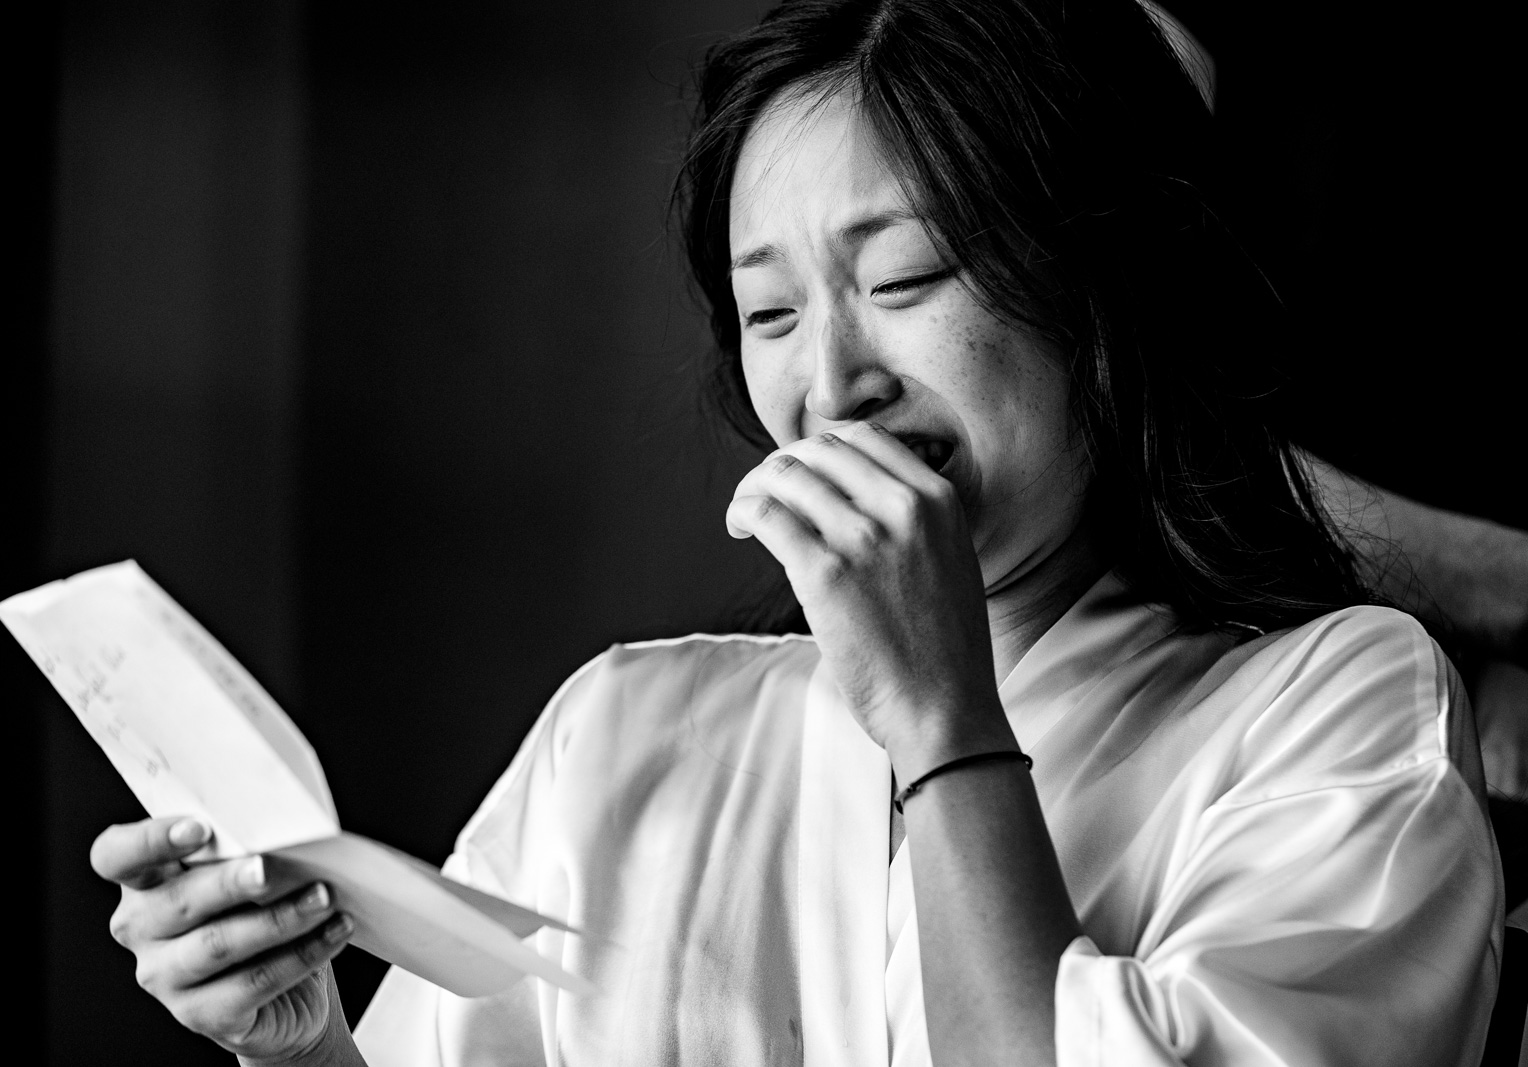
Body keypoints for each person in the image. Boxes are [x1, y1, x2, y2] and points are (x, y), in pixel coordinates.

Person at [87, 1, 1503, 1064]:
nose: (833, 384)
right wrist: (301, 1043)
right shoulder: (628, 727)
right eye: (771, 312)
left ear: (1111, 299)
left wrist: (944, 719)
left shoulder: (1341, 707)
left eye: (907, 275)